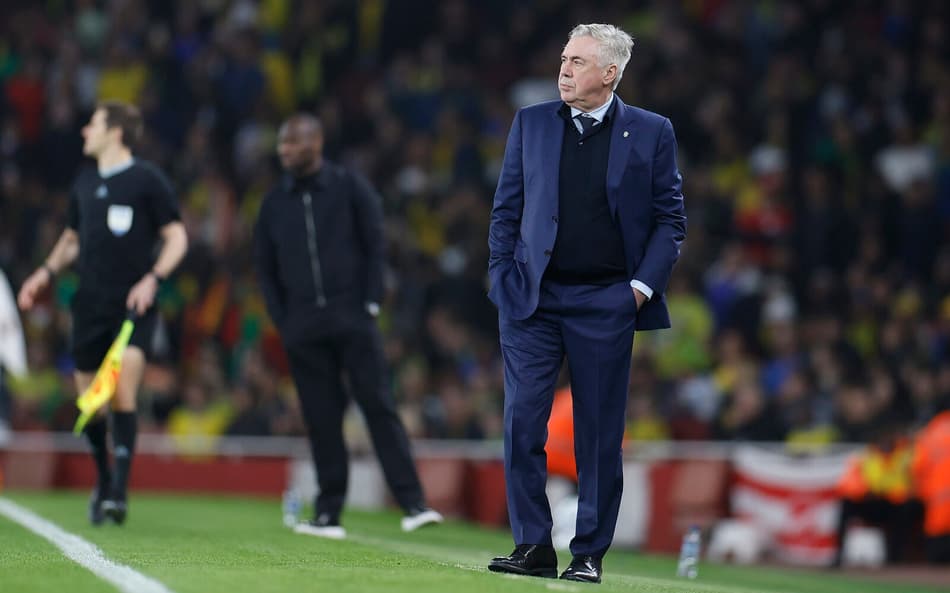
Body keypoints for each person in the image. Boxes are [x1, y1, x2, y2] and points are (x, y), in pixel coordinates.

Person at [487, 24, 686, 583]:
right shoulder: (530, 122)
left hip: (607, 300)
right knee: (522, 421)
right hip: (533, 299)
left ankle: (589, 553)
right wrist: (503, 275)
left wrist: (638, 291)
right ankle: (532, 546)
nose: (564, 70)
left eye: (577, 62)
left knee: (598, 433)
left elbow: (672, 220)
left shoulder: (652, 131)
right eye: (563, 58)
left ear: (610, 74)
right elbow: (506, 209)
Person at [254, 113, 442, 539]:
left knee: (378, 406)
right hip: (303, 328)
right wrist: (284, 320)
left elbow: (377, 245)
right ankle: (328, 513)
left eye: (292, 143)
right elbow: (264, 268)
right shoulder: (274, 203)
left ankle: (413, 503)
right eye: (282, 144)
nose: (284, 151)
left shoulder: (349, 187)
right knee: (321, 418)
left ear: (316, 143)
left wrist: (372, 303)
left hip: (353, 319)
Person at [17, 100, 188, 525]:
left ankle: (118, 494)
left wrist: (153, 278)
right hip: (90, 305)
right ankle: (104, 476)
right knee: (91, 403)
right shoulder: (85, 182)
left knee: (123, 390)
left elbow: (177, 236)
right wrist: (45, 271)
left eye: (91, 124)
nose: (83, 131)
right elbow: (73, 239)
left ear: (115, 131)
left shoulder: (148, 180)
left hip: (132, 304)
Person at [911, 397, 950, 564]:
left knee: (936, 564)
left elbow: (918, 467)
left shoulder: (931, 431)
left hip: (937, 507)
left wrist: (924, 493)